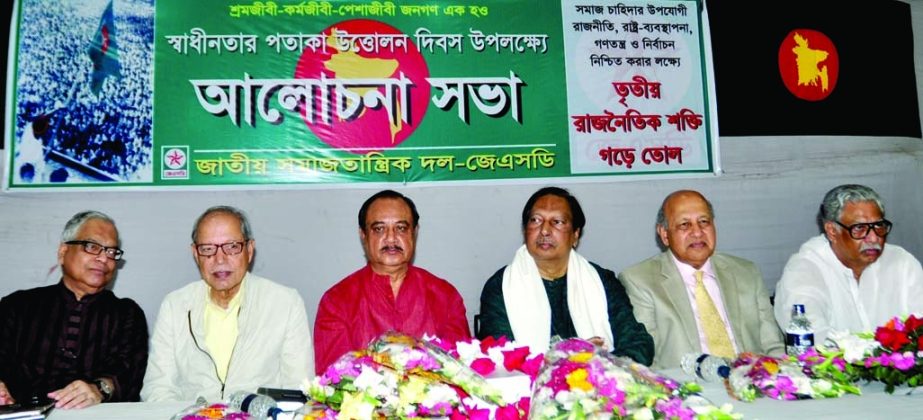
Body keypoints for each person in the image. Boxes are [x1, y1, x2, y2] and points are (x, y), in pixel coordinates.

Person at [141, 206, 313, 402]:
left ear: (249, 250)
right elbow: (158, 387)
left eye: (231, 247)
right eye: (208, 249)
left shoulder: (284, 303)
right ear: (196, 254)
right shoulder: (175, 306)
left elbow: (297, 390)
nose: (219, 259)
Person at [478, 187, 654, 365]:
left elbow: (639, 344)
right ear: (525, 231)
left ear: (575, 235)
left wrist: (600, 364)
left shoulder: (602, 281)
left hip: (601, 386)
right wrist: (567, 360)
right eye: (536, 220)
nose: (545, 230)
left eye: (558, 222)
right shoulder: (500, 287)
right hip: (530, 390)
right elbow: (500, 356)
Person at [620, 190, 784, 369]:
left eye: (704, 222)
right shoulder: (640, 280)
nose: (697, 232)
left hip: (753, 381)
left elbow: (773, 346)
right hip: (687, 387)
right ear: (665, 235)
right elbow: (648, 362)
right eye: (684, 225)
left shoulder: (746, 272)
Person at [0, 210, 148, 408]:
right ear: (63, 252)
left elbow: (131, 373)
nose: (104, 259)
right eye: (92, 247)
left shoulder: (126, 313)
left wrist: (99, 389)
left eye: (111, 252)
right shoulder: (18, 306)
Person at [314, 190, 471, 373]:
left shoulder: (445, 296)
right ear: (363, 235)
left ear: (414, 232)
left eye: (401, 228)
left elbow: (461, 372)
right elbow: (334, 380)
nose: (391, 238)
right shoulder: (337, 301)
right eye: (379, 229)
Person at [774, 184, 923, 345]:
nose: (873, 238)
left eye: (879, 225)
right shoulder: (804, 269)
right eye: (859, 228)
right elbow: (812, 338)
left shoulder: (901, 261)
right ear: (832, 231)